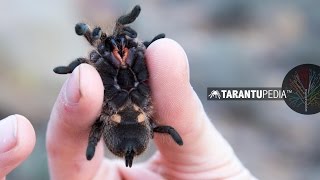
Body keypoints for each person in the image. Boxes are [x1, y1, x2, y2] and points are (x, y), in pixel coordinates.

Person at [0, 39, 256, 179]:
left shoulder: (127, 60)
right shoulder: (116, 66)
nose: (121, 53)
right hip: (132, 120)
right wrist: (74, 67)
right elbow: (86, 63)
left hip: (118, 118)